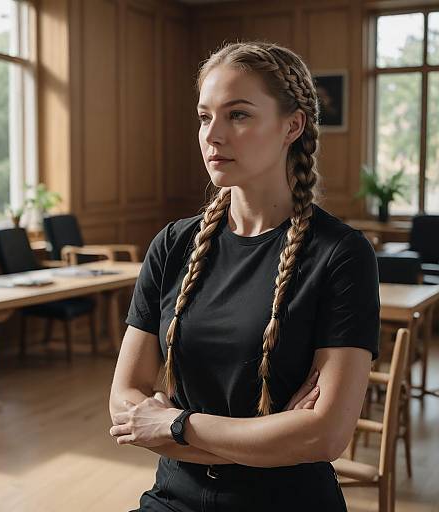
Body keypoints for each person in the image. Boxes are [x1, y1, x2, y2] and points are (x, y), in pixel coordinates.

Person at [109, 41, 380, 511]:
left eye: (238, 115)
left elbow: (324, 435)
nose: (213, 135)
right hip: (172, 498)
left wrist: (175, 424)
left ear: (291, 126)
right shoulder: (172, 245)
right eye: (204, 116)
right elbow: (124, 403)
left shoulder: (341, 255)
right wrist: (269, 440)